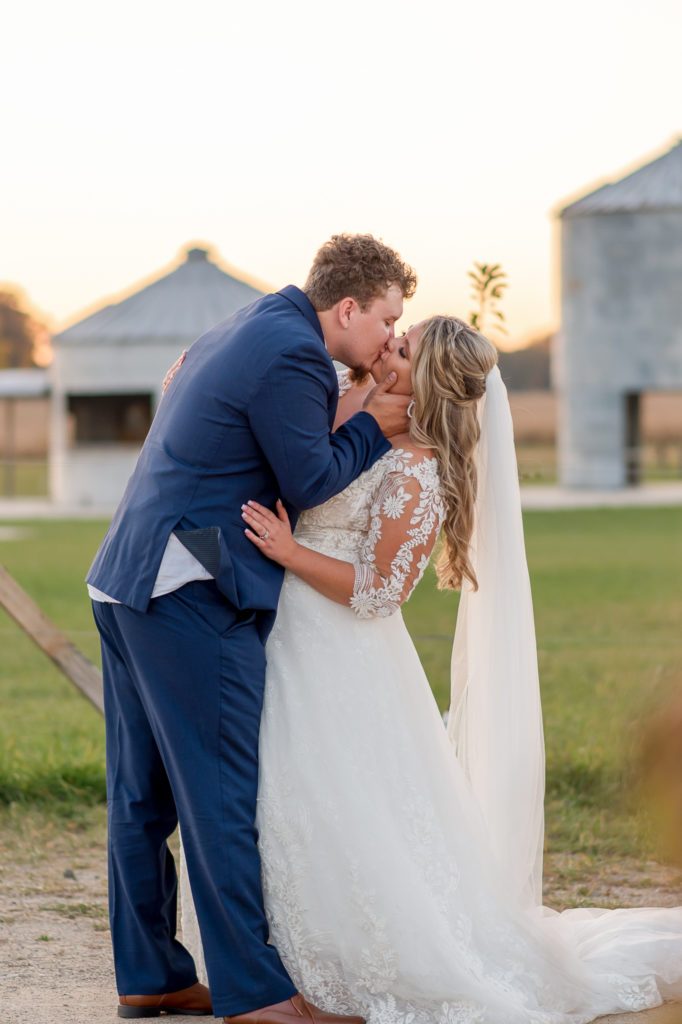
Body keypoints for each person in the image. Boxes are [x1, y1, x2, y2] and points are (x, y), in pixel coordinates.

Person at [180, 315, 682, 1023]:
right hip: (281, 635)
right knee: (267, 796)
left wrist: (290, 553)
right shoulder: (350, 413)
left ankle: (344, 966)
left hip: (339, 657)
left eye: (404, 346)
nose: (390, 345)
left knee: (331, 801)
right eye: (395, 334)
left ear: (430, 381)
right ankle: (266, 964)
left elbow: (380, 592)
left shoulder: (416, 468)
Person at [86, 234, 418, 1022]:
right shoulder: (297, 355)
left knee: (141, 796)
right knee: (221, 796)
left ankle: (152, 975)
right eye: (386, 320)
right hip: (190, 589)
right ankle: (259, 997)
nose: (387, 339)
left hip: (125, 576)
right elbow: (310, 479)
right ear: (347, 307)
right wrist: (377, 419)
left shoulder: (250, 324)